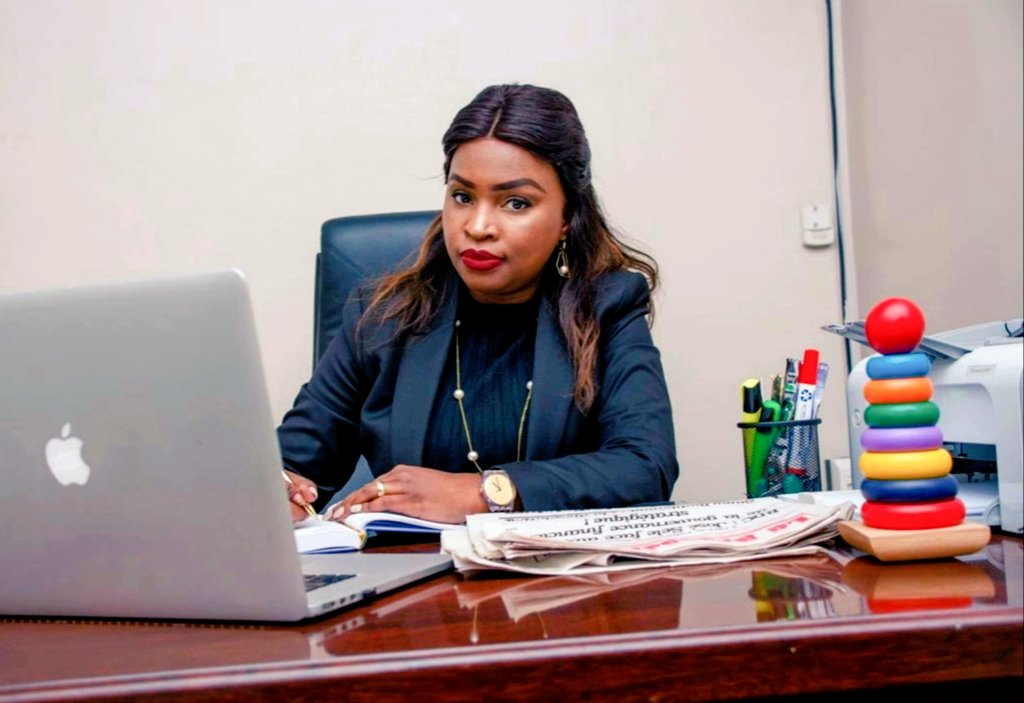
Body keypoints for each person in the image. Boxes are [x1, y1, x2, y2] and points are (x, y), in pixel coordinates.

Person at [279, 83, 677, 525]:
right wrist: (281, 489)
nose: (478, 226)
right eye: (462, 197)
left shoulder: (608, 306)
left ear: (566, 217)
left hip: (559, 568)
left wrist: (484, 491)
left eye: (516, 203)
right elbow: (295, 463)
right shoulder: (382, 315)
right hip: (411, 565)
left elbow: (646, 466)